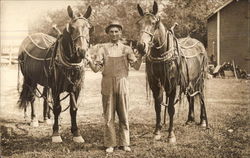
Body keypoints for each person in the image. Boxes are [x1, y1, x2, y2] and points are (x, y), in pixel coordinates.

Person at [85, 20, 145, 153]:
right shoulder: (103, 49)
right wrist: (89, 60)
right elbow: (96, 69)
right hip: (107, 83)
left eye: (116, 31)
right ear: (108, 33)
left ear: (120, 33)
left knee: (123, 114)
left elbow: (136, 66)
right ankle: (110, 144)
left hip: (122, 83)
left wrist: (141, 55)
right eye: (111, 32)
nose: (114, 34)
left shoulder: (126, 49)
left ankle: (125, 143)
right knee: (109, 116)